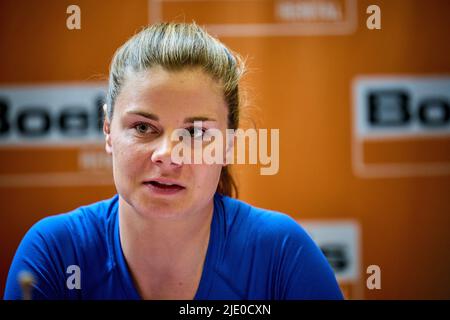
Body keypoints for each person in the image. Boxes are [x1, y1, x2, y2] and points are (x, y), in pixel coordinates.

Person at [4, 22, 343, 300]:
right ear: (107, 131)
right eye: (142, 127)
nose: (167, 154)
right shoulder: (55, 253)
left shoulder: (281, 255)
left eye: (195, 133)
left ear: (228, 146)